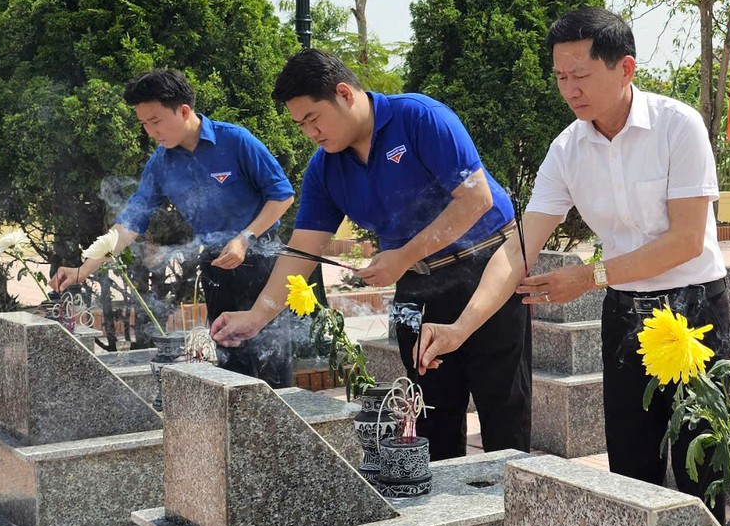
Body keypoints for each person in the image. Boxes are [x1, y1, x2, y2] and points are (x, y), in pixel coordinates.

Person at [414, 6, 727, 501]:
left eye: (580, 75)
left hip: (695, 308)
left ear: (625, 68)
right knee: (631, 470)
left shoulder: (677, 126)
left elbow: (686, 240)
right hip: (627, 316)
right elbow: (519, 248)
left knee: (704, 465)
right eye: (560, 77)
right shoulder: (567, 150)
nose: (569, 89)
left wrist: (589, 276)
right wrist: (460, 327)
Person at [211, 50, 531, 459]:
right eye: (300, 125)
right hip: (418, 286)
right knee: (428, 412)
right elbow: (302, 249)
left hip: (487, 267)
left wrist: (402, 256)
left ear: (344, 94)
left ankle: (511, 494)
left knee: (503, 406)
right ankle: (444, 499)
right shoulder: (325, 169)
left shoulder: (419, 117)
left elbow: (475, 199)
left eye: (313, 118)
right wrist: (257, 316)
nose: (310, 132)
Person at [50, 68, 297, 385]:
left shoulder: (235, 140)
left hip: (263, 261)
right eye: (143, 123)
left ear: (183, 110)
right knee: (231, 366)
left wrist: (245, 238)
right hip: (217, 267)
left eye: (155, 121)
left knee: (273, 363)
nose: (150, 131)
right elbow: (130, 222)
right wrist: (82, 270)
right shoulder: (161, 163)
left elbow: (282, 195)